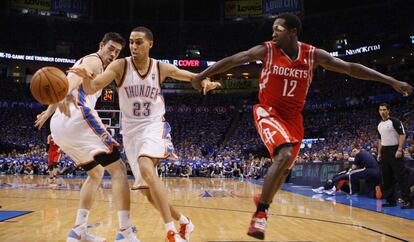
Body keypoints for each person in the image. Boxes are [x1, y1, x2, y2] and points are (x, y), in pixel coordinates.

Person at [191, 13, 413, 239]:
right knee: (284, 154)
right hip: (268, 111)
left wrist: (391, 81)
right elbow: (234, 59)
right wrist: (202, 75)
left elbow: (350, 67)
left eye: (278, 29)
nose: (273, 32)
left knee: (282, 170)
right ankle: (261, 214)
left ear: (293, 31)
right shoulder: (267, 50)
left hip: (293, 118)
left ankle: (264, 198)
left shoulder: (312, 54)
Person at [69, 26, 220, 242]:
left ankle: (171, 231)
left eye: (138, 42)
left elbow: (188, 76)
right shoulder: (120, 66)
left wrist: (203, 80)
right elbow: (92, 88)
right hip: (130, 133)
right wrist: (85, 77)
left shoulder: (159, 67)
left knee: (146, 167)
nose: (133, 46)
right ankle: (184, 221)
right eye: (131, 42)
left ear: (150, 44)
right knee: (149, 193)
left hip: (153, 126)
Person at [35, 32, 140, 242]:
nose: (113, 54)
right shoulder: (93, 61)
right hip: (77, 117)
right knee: (119, 169)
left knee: (96, 174)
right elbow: (69, 81)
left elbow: (64, 85)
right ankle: (125, 232)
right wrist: (63, 94)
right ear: (101, 45)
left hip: (59, 126)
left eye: (118, 52)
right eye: (110, 49)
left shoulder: (94, 64)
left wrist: (47, 113)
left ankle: (78, 230)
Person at [377, 103, 413, 209]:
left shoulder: (395, 121)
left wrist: (399, 149)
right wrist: (379, 153)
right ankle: (390, 200)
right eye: (380, 110)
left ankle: (408, 201)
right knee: (387, 177)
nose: (382, 112)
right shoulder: (379, 124)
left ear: (388, 110)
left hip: (395, 149)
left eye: (384, 109)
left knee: (401, 176)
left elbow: (402, 134)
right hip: (384, 151)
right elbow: (380, 139)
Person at [313, 147, 381, 198]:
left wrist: (349, 171)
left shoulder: (358, 155)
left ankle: (353, 193)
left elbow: (353, 168)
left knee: (350, 175)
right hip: (377, 173)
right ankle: (375, 193)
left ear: (356, 151)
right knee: (369, 192)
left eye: (353, 151)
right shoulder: (368, 155)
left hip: (369, 170)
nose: (353, 153)